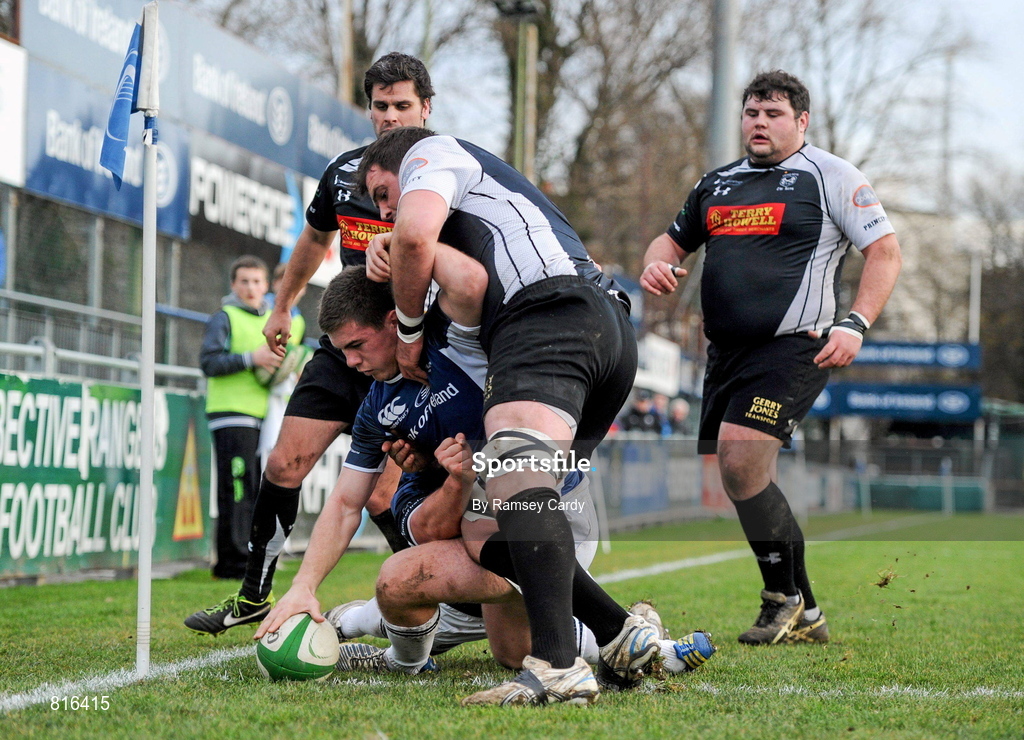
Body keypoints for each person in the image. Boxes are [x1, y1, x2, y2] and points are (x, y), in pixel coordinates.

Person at [257, 267, 716, 678]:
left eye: (357, 345)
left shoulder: (458, 343)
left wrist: (401, 247)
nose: (351, 362)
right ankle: (641, 637)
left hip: (554, 520)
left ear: (395, 322)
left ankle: (376, 638)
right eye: (342, 352)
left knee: (404, 573)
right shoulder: (377, 410)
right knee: (513, 652)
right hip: (477, 540)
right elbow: (346, 504)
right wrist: (303, 586)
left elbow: (471, 275)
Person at [355, 126, 662, 706]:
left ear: (404, 162)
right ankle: (619, 633)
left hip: (549, 313)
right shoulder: (486, 213)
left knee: (518, 485)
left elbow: (417, 236)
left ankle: (557, 665)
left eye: (382, 191)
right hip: (606, 332)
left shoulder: (428, 152)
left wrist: (411, 330)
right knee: (491, 522)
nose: (384, 209)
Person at [640, 70, 902, 645]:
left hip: (794, 348)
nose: (759, 122)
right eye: (751, 112)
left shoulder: (831, 176)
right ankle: (807, 613)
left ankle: (779, 598)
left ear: (801, 121)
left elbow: (884, 251)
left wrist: (856, 324)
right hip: (726, 354)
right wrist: (655, 262)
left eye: (773, 113)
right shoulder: (718, 184)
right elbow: (670, 241)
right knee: (741, 478)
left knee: (741, 461)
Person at [185, 52, 434, 635]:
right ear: (368, 109)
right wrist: (281, 302)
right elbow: (315, 237)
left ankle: (432, 601)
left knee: (382, 496)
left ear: (427, 106)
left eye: (403, 105)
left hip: (411, 355)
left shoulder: (447, 173)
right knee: (283, 462)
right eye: (380, 106)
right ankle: (252, 595)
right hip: (345, 345)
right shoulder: (347, 171)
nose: (391, 116)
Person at [199, 256, 280, 579]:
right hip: (231, 413)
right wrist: (252, 358)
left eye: (256, 281)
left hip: (263, 416)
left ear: (267, 286)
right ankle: (232, 562)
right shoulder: (224, 317)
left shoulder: (272, 318)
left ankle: (241, 558)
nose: (250, 288)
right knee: (235, 488)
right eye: (244, 281)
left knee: (251, 487)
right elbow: (209, 362)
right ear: (233, 285)